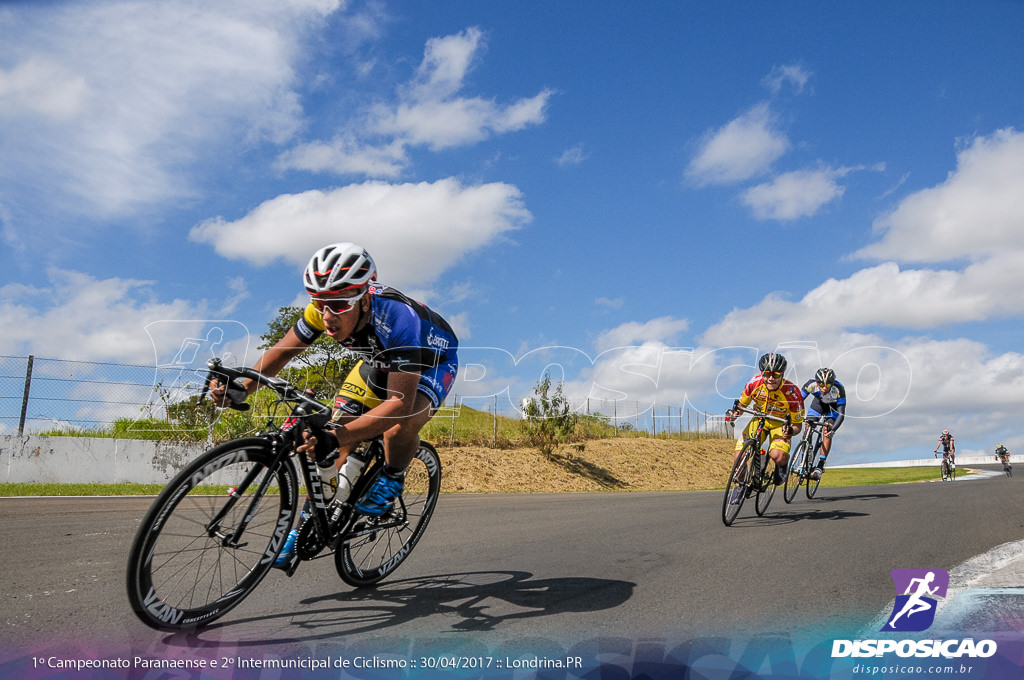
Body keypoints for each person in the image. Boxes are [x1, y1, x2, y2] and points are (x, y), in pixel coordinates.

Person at [209, 242, 459, 568]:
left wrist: (337, 435)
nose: (327, 317)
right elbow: (283, 352)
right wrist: (242, 388)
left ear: (364, 299)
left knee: (399, 425)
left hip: (432, 362)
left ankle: (393, 475)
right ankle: (312, 519)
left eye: (339, 305)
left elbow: (399, 403)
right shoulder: (324, 309)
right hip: (378, 361)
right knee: (332, 439)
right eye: (319, 303)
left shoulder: (397, 318)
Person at [725, 353, 805, 502]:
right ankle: (741, 486)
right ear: (762, 373)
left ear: (782, 374)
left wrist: (791, 431)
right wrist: (734, 413)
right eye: (766, 374)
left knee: (776, 455)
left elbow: (797, 425)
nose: (771, 378)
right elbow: (741, 406)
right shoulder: (753, 384)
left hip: (780, 423)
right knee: (739, 457)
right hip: (759, 419)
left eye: (776, 374)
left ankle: (782, 466)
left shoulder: (792, 392)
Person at [800, 367, 847, 480]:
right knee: (808, 425)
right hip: (818, 405)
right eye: (821, 385)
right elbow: (798, 400)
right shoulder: (811, 384)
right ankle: (804, 457)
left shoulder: (839, 389)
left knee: (827, 430)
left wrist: (833, 430)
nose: (824, 388)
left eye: (828, 385)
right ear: (817, 383)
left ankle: (820, 465)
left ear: (832, 383)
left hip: (832, 409)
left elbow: (841, 414)